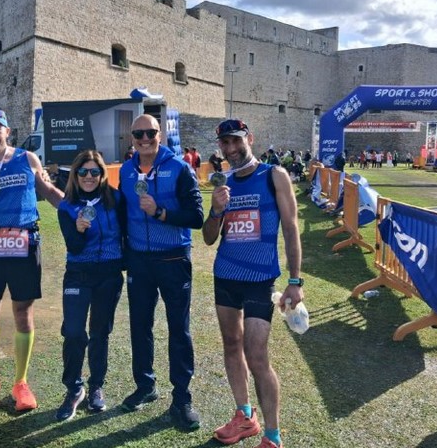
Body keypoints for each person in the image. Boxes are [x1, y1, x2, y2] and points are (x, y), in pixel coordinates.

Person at [202, 118, 303, 448]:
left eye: (236, 141)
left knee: (257, 356)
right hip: (225, 275)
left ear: (249, 139)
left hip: (260, 279)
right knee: (231, 344)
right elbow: (208, 238)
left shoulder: (274, 176)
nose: (231, 149)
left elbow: (290, 228)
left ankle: (272, 436)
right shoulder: (223, 182)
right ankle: (244, 416)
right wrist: (216, 210)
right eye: (225, 144)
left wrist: (295, 281)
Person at [0, 108, 64, 412]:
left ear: (8, 132)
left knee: (23, 313)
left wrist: (79, 207)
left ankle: (21, 382)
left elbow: (49, 192)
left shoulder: (28, 159)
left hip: (24, 242)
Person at [118, 114, 204, 430]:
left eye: (150, 132)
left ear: (160, 133)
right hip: (139, 260)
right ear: (132, 137)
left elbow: (196, 216)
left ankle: (182, 398)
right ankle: (146, 385)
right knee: (140, 325)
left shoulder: (179, 168)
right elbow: (123, 215)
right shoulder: (126, 171)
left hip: (173, 260)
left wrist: (161, 212)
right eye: (138, 133)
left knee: (178, 329)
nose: (144, 138)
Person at [55, 150, 124, 421]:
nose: (89, 176)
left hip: (108, 274)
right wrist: (80, 230)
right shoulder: (67, 206)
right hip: (78, 274)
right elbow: (73, 245)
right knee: (73, 332)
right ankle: (73, 388)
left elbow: (128, 231)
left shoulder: (116, 199)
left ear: (102, 174)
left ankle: (96, 386)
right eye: (83, 171)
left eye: (94, 171)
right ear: (75, 174)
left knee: (99, 332)